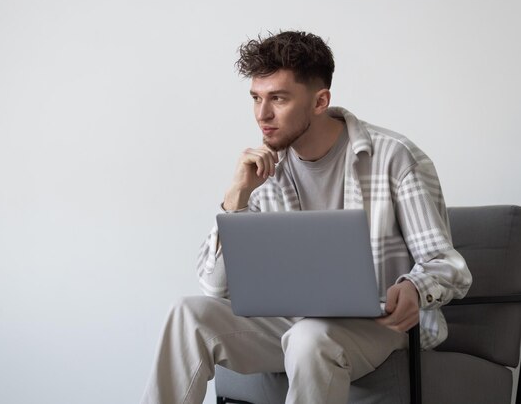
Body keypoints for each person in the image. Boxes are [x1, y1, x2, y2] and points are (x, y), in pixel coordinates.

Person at [141, 31, 472, 404]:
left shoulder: (393, 158)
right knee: (186, 314)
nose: (262, 115)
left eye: (278, 99)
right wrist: (236, 200)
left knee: (309, 337)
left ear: (320, 101)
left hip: (378, 326)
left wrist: (413, 288)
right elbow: (215, 289)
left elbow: (448, 267)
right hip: (291, 320)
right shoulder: (263, 171)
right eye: (256, 98)